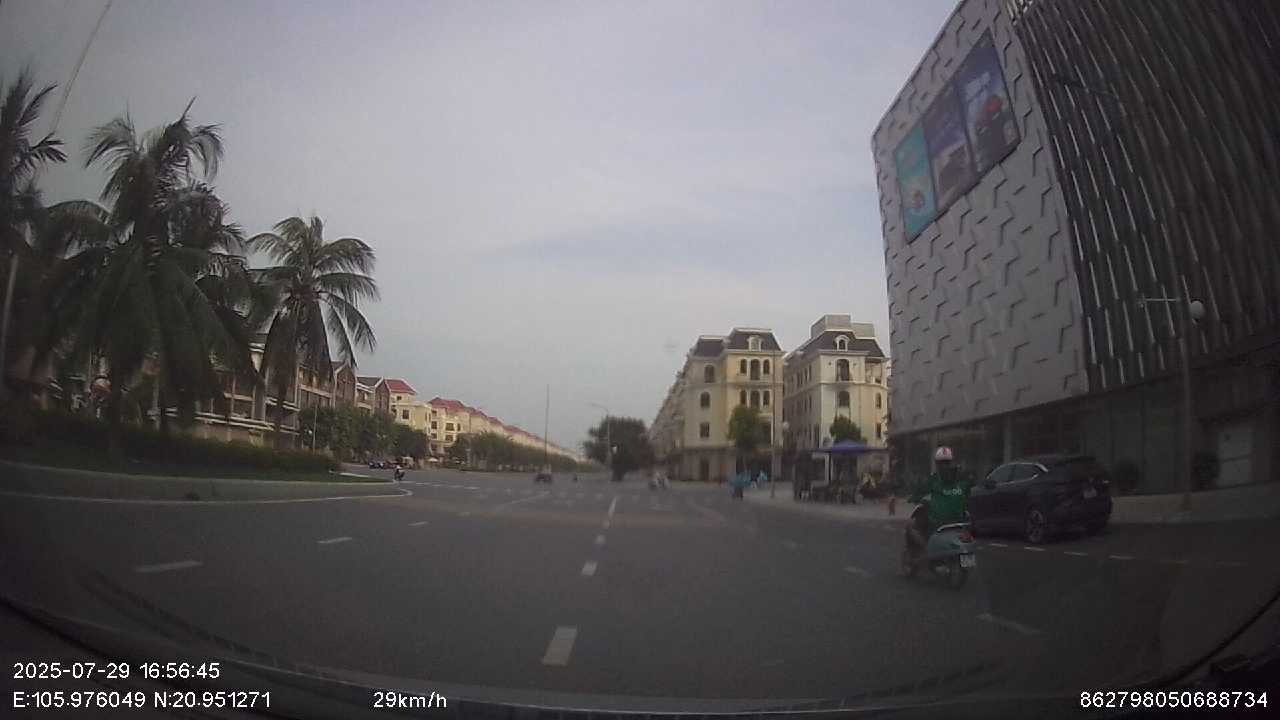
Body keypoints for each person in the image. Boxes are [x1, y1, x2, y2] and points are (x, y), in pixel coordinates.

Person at [905, 446, 971, 560]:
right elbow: (969, 491)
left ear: (936, 463)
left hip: (938, 521)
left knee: (910, 526)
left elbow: (920, 491)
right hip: (959, 520)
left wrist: (913, 498)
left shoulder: (934, 478)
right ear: (951, 461)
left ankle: (926, 550)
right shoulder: (961, 477)